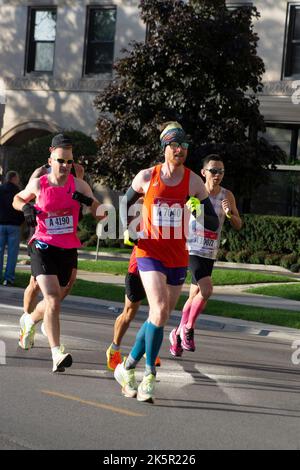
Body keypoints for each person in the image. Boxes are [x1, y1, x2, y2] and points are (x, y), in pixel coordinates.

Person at [114, 122, 219, 403]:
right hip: (149, 252)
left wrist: (199, 209)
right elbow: (125, 202)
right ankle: (149, 376)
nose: (180, 149)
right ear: (164, 148)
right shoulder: (148, 176)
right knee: (159, 309)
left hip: (178, 256)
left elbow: (212, 219)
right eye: (175, 144)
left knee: (156, 318)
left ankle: (126, 367)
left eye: (184, 145)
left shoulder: (194, 181)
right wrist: (129, 228)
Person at [13, 133, 101, 373]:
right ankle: (56, 353)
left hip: (68, 247)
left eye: (69, 162)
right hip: (42, 244)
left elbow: (102, 214)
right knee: (51, 298)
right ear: (51, 159)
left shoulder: (79, 185)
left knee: (56, 299)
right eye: (61, 160)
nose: (65, 166)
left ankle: (29, 320)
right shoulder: (40, 183)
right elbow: (17, 199)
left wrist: (90, 202)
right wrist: (27, 207)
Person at [169, 154, 242, 356]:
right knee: (207, 290)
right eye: (213, 171)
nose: (217, 175)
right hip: (191, 248)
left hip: (210, 251)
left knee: (195, 295)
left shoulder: (227, 196)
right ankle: (188, 329)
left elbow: (238, 224)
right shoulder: (192, 193)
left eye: (221, 171)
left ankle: (176, 334)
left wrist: (230, 215)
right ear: (203, 172)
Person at [22, 159, 85, 335]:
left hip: (66, 237)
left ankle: (44, 313)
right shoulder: (41, 173)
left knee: (68, 282)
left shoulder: (75, 172)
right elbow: (25, 197)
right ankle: (27, 319)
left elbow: (81, 206)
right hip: (43, 235)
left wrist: (80, 177)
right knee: (35, 283)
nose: (65, 163)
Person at [106, 246, 161, 371]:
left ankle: (148, 350)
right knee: (129, 312)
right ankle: (114, 349)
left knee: (157, 310)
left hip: (160, 268)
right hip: (139, 268)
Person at [0, 171, 24, 286]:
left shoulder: (0, 189)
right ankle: (9, 278)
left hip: (0, 224)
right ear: (14, 178)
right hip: (14, 225)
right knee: (12, 254)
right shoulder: (18, 192)